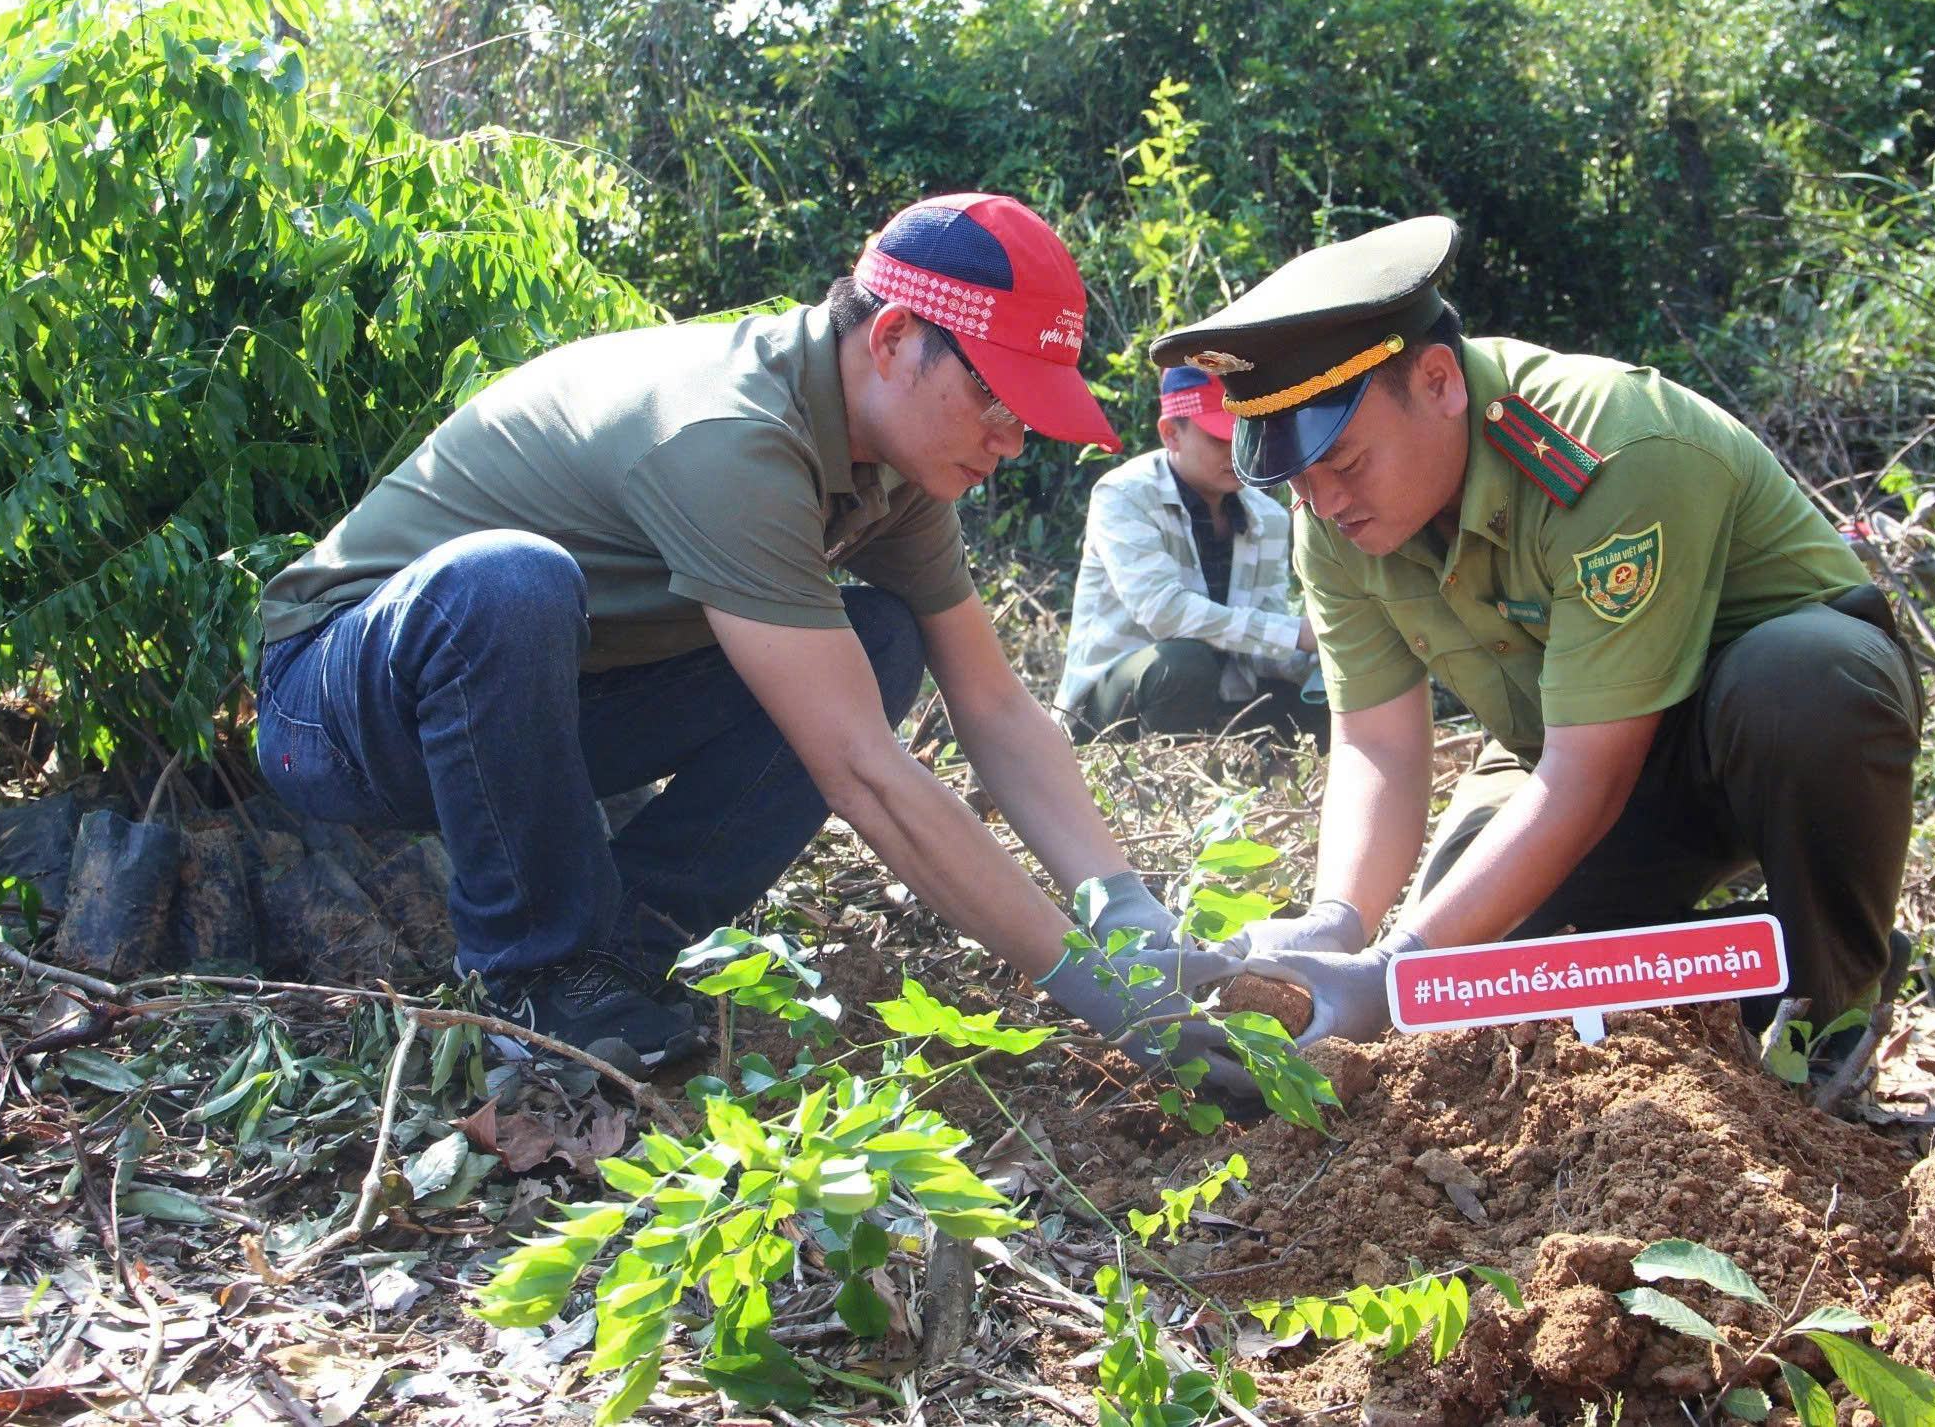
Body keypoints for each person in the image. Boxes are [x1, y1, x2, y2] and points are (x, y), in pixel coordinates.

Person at [257, 193, 1241, 1087]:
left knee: (882, 638)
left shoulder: (891, 467)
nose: (1012, 440)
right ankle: (535, 986)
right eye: (997, 397)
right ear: (895, 338)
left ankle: (619, 950)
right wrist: (1099, 995)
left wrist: (1117, 901)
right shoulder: (728, 434)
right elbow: (861, 770)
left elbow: (991, 704)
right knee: (509, 582)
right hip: (338, 710)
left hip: (544, 711)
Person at [1148, 215, 1922, 1106]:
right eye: (1297, 482)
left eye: (1344, 461)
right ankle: (1756, 966)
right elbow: (1378, 744)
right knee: (1478, 975)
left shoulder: (1612, 448)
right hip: (1564, 743)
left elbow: (1590, 773)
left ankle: (1832, 999)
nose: (1324, 505)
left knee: (1803, 677)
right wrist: (1342, 924)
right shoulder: (1334, 518)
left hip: (1751, 735)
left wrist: (1399, 964)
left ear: (1438, 381)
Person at [1054, 365, 1325, 747]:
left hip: (1222, 697)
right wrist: (1296, 633)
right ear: (1171, 434)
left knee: (1325, 683)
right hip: (1109, 708)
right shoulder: (1125, 495)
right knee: (1182, 664)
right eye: (1219, 438)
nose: (1236, 453)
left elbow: (1264, 643)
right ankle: (1161, 787)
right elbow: (1163, 612)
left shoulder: (1268, 517)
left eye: (1243, 436)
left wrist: (1324, 650)